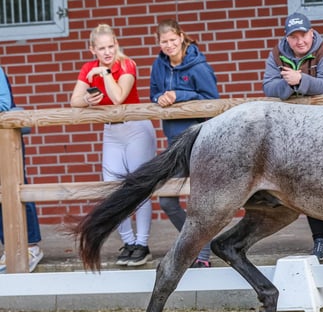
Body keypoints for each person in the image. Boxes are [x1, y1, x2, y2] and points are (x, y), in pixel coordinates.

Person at [263, 12, 323, 261]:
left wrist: (300, 79)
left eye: (304, 35)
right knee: (307, 183)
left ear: (312, 33)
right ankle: (319, 239)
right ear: (287, 38)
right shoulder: (277, 54)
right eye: (294, 37)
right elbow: (269, 88)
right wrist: (289, 86)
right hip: (296, 129)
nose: (300, 41)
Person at [70, 24, 157, 267]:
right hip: (111, 131)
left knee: (139, 186)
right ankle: (128, 242)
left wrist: (106, 73)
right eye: (102, 48)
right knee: (112, 187)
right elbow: (74, 100)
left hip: (136, 127)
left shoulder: (126, 64)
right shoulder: (89, 68)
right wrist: (88, 99)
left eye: (111, 46)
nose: (108, 52)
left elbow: (119, 97)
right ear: (92, 49)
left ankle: (142, 244)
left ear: (117, 44)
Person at [150, 19, 220, 268]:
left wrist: (179, 95)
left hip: (200, 142)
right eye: (163, 41)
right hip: (174, 143)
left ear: (181, 37)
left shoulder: (198, 66)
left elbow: (213, 101)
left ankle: (201, 253)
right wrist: (160, 97)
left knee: (200, 201)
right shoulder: (158, 66)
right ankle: (201, 243)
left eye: (172, 40)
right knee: (167, 200)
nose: (169, 45)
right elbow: (153, 93)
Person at [0, 65, 44, 273]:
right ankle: (8, 247)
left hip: (5, 140)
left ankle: (31, 246)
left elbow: (4, 103)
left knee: (18, 188)